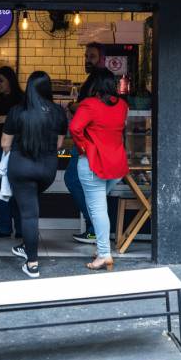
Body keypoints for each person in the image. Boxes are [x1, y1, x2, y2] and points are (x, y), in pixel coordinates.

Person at [2, 71, 68, 278]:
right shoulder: (58, 112)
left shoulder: (16, 111)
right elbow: (58, 144)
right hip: (47, 170)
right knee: (30, 206)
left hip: (21, 168)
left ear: (29, 87)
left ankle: (32, 264)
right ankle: (25, 246)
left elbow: (5, 144)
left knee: (29, 214)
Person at [69, 68, 129, 271]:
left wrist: (84, 146)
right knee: (99, 208)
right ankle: (102, 250)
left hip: (93, 163)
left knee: (98, 210)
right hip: (116, 165)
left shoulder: (89, 105)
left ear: (94, 85)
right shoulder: (122, 105)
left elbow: (75, 128)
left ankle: (104, 254)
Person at [64, 42, 106, 245]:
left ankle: (94, 227)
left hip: (88, 140)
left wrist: (73, 105)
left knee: (72, 179)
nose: (87, 60)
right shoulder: (95, 78)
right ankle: (95, 227)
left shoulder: (100, 78)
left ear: (102, 58)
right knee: (82, 183)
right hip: (89, 139)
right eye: (86, 56)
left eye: (92, 56)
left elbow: (93, 104)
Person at [0, 66, 24, 238]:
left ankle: (21, 228)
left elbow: (27, 121)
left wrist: (6, 118)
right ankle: (4, 228)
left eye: (1, 80)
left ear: (11, 80)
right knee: (0, 189)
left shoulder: (21, 98)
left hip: (16, 148)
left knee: (17, 187)